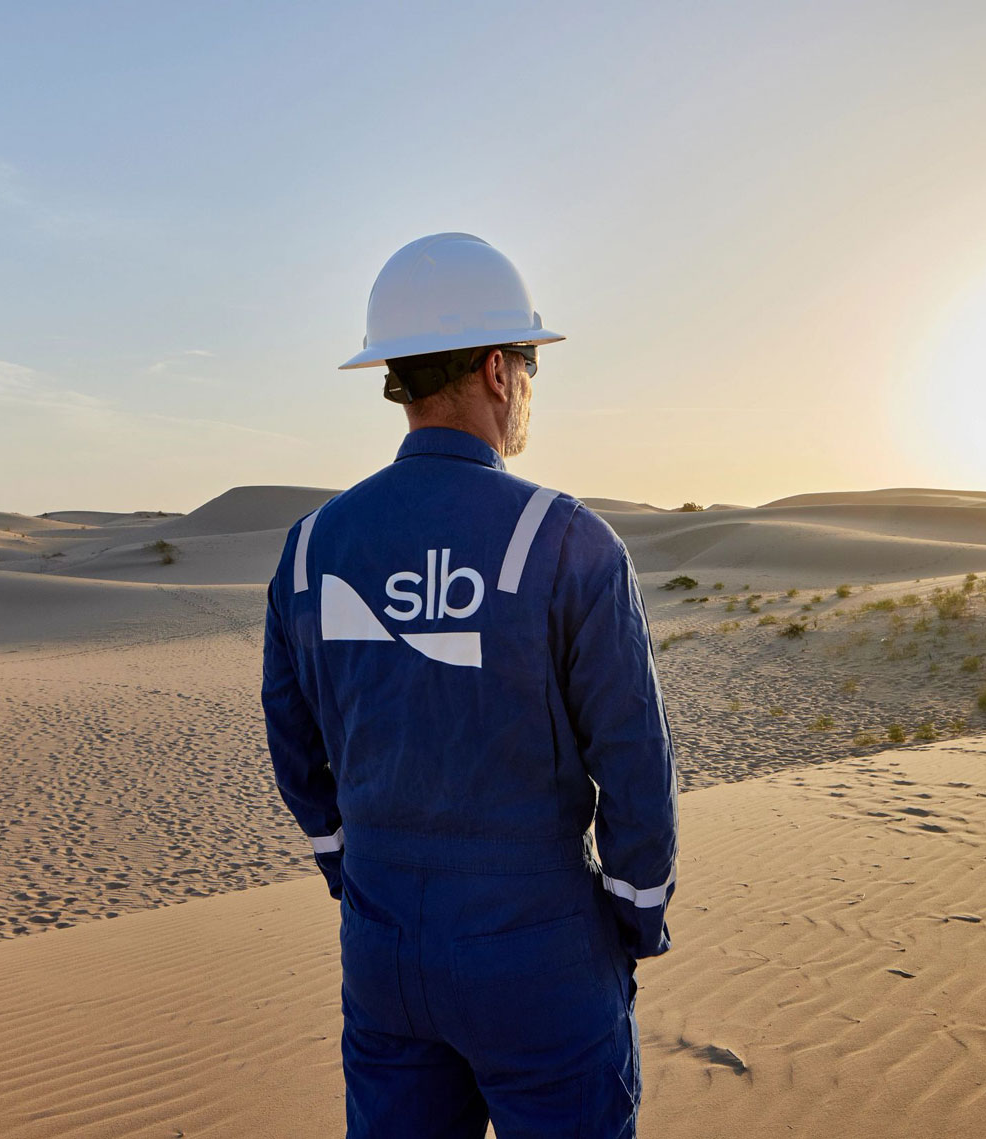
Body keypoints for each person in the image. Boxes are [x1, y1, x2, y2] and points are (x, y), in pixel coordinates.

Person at [261, 232, 677, 1138]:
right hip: (540, 953)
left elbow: (292, 742)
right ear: (497, 368)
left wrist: (348, 863)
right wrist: (636, 912)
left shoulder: (309, 548)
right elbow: (636, 757)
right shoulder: (568, 540)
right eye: (529, 362)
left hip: (383, 952)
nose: (530, 385)